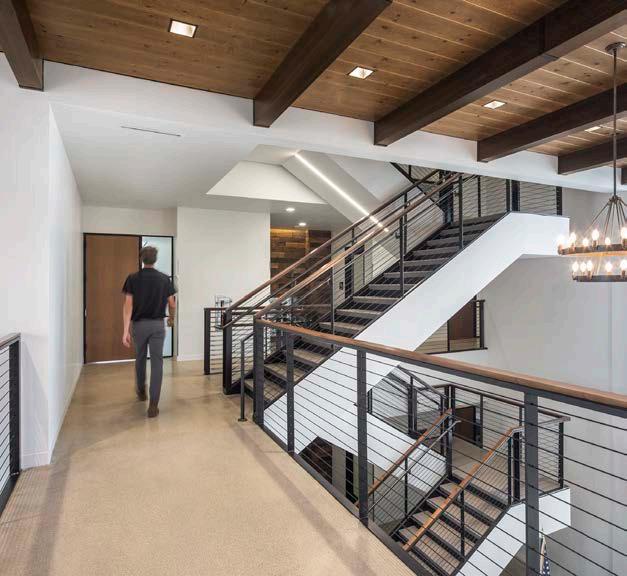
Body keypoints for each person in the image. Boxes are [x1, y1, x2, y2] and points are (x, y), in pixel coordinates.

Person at [122, 246, 176, 418]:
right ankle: (153, 405)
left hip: (139, 326)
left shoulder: (132, 279)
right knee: (157, 363)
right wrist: (171, 318)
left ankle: (141, 391)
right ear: (155, 259)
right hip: (157, 326)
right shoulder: (164, 279)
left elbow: (128, 306)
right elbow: (172, 303)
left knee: (140, 358)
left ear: (141, 259)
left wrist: (125, 330)